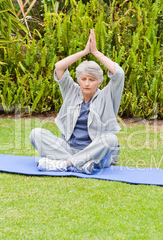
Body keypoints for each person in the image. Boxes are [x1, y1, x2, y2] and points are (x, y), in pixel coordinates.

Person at [29, 29, 125, 174]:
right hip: (69, 148)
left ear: (99, 83)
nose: (87, 83)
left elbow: (119, 74)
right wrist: (85, 51)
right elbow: (59, 67)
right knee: (36, 133)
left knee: (111, 140)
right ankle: (81, 165)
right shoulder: (71, 91)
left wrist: (96, 52)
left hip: (95, 152)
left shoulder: (107, 97)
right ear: (78, 80)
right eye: (83, 79)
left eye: (92, 80)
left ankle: (66, 164)